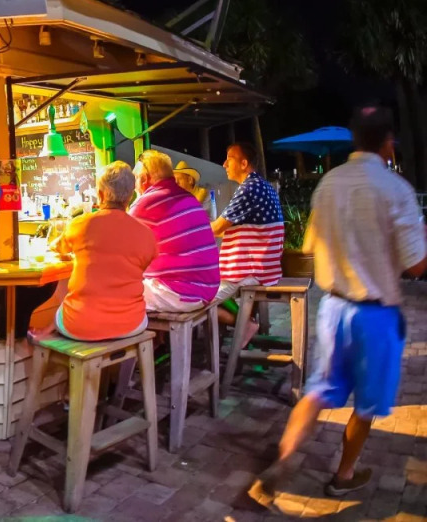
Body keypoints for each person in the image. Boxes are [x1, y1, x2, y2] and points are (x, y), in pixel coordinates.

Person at [253, 106, 427, 500]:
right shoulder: (396, 189)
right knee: (365, 403)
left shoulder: (329, 183)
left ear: (355, 140)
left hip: (334, 308)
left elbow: (309, 245)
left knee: (318, 389)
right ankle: (344, 474)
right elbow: (417, 265)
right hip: (376, 314)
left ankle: (285, 458)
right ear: (388, 142)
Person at [28, 161, 156, 341]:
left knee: (64, 305)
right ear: (130, 196)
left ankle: (46, 332)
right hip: (131, 323)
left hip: (80, 325)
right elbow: (145, 262)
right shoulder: (146, 234)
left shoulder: (80, 224)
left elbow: (56, 246)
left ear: (101, 194)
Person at [211, 142, 284, 347]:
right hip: (265, 267)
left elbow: (217, 227)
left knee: (195, 301)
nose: (224, 164)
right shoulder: (261, 185)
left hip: (251, 270)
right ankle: (244, 323)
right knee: (205, 285)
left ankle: (243, 324)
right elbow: (229, 228)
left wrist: (187, 230)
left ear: (244, 164)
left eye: (229, 159)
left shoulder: (249, 188)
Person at [130, 151, 220, 313]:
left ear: (143, 179)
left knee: (114, 293)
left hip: (181, 292)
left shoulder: (146, 202)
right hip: (207, 288)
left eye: (135, 178)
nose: (134, 183)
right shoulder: (189, 198)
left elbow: (120, 243)